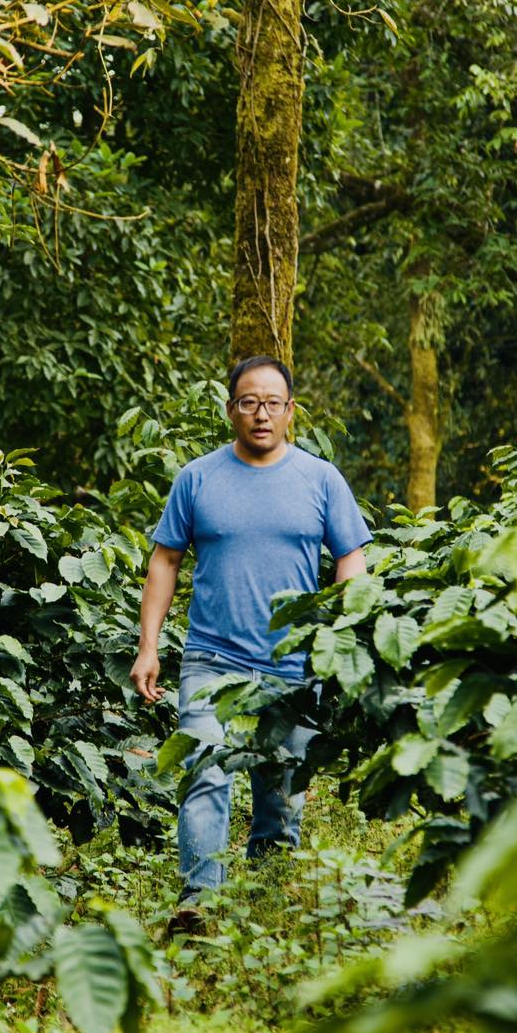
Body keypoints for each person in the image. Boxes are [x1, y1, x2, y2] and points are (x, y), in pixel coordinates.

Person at [132, 355, 371, 934]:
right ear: (230, 409)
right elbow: (165, 560)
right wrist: (149, 645)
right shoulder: (197, 478)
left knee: (281, 793)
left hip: (295, 664)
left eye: (272, 404)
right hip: (212, 657)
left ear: (290, 411)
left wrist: (341, 639)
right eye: (248, 402)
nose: (260, 414)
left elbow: (351, 560)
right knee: (206, 772)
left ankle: (266, 897)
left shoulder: (320, 479)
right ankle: (199, 903)